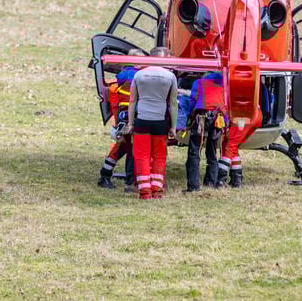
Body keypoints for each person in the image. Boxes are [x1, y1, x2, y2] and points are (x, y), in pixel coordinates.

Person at [124, 47, 177, 199]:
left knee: (142, 156)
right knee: (159, 155)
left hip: (142, 120)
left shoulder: (139, 75)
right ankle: (157, 190)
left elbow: (132, 101)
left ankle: (144, 192)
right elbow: (173, 103)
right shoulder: (170, 76)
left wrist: (130, 123)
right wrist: (173, 126)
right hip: (160, 121)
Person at [97, 52, 141, 190]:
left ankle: (107, 175)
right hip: (131, 119)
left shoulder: (120, 81)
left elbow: (117, 106)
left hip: (123, 118)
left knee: (123, 147)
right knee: (127, 148)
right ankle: (111, 176)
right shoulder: (137, 77)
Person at [184, 71, 226, 191]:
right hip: (218, 119)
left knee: (194, 152)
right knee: (212, 151)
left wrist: (189, 118)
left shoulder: (199, 83)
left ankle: (193, 186)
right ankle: (210, 182)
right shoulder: (223, 84)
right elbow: (225, 104)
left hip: (201, 118)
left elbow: (193, 100)